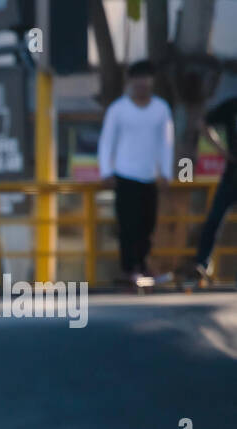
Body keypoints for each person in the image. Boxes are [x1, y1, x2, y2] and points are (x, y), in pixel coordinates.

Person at [98, 60, 174, 285]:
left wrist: (167, 172)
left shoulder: (161, 109)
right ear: (130, 81)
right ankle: (129, 269)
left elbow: (166, 142)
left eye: (146, 77)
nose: (142, 82)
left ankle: (143, 266)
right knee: (128, 225)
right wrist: (106, 171)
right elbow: (106, 142)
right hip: (124, 174)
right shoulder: (118, 109)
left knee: (147, 224)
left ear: (152, 81)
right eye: (137, 77)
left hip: (150, 175)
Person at [193, 94, 237, 281]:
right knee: (214, 220)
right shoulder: (231, 105)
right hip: (232, 175)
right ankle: (202, 264)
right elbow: (203, 123)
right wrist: (221, 150)